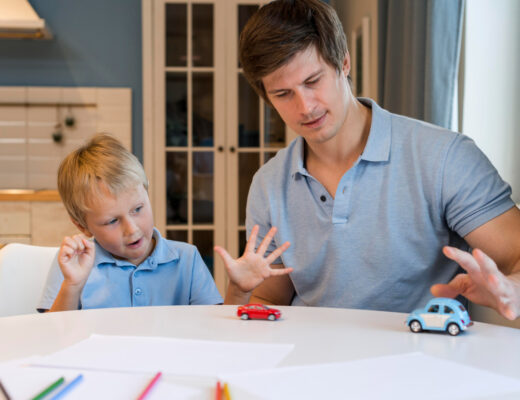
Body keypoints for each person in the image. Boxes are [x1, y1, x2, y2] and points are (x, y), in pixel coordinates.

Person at [216, 0, 520, 319]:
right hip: (310, 359)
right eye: (283, 94)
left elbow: (515, 255)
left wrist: (511, 288)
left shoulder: (445, 157)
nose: (305, 106)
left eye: (313, 81)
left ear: (344, 63)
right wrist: (240, 294)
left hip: (416, 358)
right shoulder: (268, 183)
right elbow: (270, 297)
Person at [38, 134, 228, 311]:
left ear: (147, 192)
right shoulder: (73, 265)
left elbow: (213, 333)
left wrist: (238, 289)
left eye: (137, 209)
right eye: (112, 221)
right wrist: (72, 285)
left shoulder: (187, 259)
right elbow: (54, 336)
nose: (132, 229)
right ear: (82, 226)